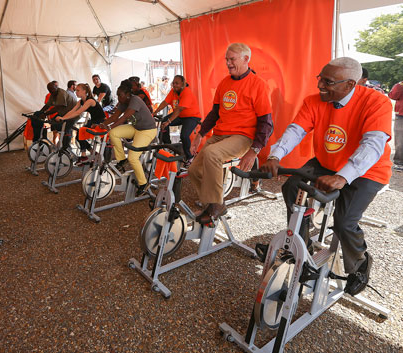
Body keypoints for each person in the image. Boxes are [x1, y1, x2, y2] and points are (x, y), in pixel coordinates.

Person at [261, 57, 393, 296]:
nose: (320, 85)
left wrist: (343, 176)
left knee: (344, 222)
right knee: (291, 187)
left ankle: (360, 263)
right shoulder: (314, 101)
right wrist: (275, 155)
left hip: (367, 170)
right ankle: (302, 246)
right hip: (327, 163)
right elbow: (296, 130)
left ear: (350, 85)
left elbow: (373, 145)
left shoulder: (377, 103)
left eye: (328, 82)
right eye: (320, 78)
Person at [189, 43, 273, 223]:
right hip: (220, 135)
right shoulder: (224, 83)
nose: (228, 63)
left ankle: (216, 205)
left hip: (242, 137)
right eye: (226, 59)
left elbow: (266, 123)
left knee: (212, 154)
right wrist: (199, 135)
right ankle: (211, 204)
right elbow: (214, 114)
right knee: (194, 170)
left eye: (232, 59)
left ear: (246, 59)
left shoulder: (258, 85)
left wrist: (254, 151)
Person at [98, 79, 157, 196]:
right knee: (114, 133)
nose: (118, 98)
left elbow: (124, 117)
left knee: (133, 157)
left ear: (128, 94)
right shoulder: (123, 102)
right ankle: (121, 159)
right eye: (117, 95)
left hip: (147, 130)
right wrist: (103, 124)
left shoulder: (135, 100)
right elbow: (114, 117)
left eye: (120, 95)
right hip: (136, 128)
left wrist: (110, 126)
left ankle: (143, 183)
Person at [153, 75, 202, 164]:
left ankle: (189, 157)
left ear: (183, 84)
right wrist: (155, 112)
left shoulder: (187, 92)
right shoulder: (173, 91)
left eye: (177, 83)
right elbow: (165, 102)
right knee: (163, 122)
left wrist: (169, 121)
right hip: (180, 115)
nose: (174, 85)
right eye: (173, 83)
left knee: (184, 135)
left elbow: (179, 109)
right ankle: (169, 147)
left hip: (192, 116)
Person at [56, 83, 106, 162]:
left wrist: (63, 118)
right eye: (76, 90)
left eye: (78, 90)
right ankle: (92, 152)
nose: (76, 92)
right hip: (93, 120)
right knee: (78, 135)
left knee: (80, 134)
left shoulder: (90, 100)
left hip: (100, 121)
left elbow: (78, 112)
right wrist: (63, 118)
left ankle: (84, 156)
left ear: (84, 91)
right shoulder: (80, 101)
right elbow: (72, 111)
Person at [32, 81, 76, 150]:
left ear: (56, 87)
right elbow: (47, 105)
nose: (51, 91)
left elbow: (58, 108)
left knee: (66, 127)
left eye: (52, 89)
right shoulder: (53, 94)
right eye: (50, 90)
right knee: (54, 123)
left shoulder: (61, 93)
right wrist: (40, 112)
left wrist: (45, 114)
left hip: (72, 113)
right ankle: (39, 139)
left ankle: (67, 146)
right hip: (64, 113)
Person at [388, 79, 403, 171]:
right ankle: (399, 162)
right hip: (401, 115)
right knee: (400, 140)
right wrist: (400, 85)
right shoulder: (400, 85)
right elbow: (392, 95)